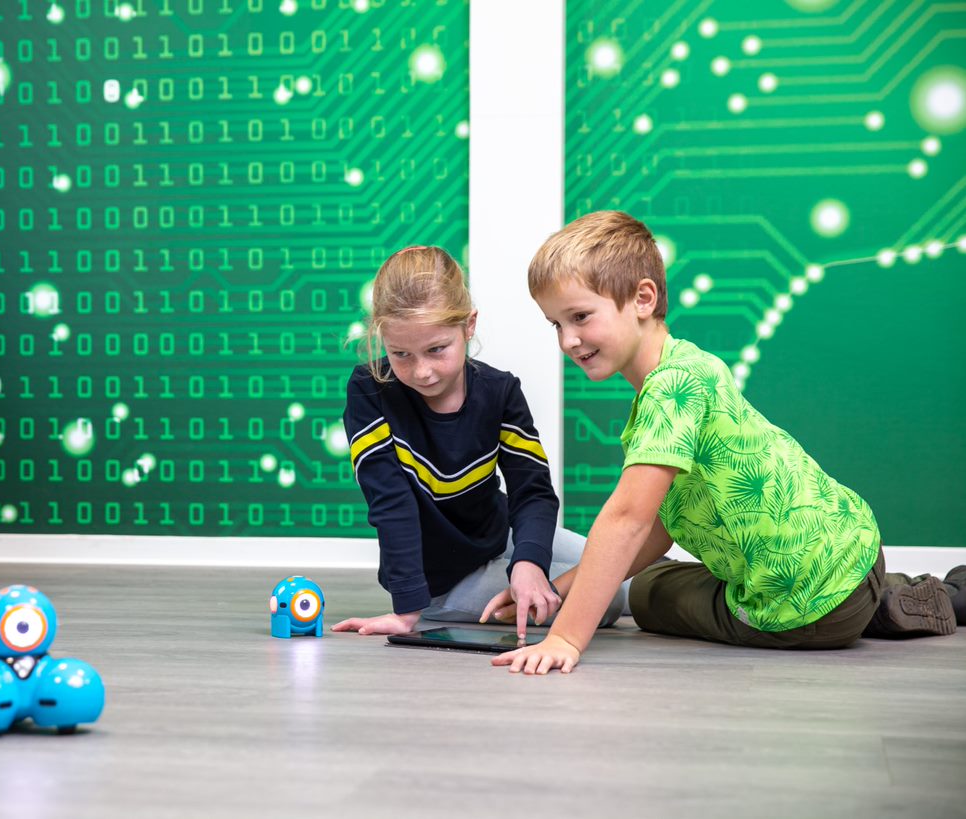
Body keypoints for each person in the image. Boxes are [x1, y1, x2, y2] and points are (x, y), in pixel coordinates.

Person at [489, 210, 966, 675]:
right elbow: (660, 527)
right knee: (659, 572)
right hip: (857, 552)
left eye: (580, 317)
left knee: (652, 592)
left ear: (643, 299)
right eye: (557, 324)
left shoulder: (669, 394)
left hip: (803, 611)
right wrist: (560, 589)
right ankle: (899, 595)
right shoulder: (692, 366)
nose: (568, 340)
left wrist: (566, 638)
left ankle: (868, 610)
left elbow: (630, 520)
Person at [331, 245, 626, 638]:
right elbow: (391, 502)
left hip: (498, 534)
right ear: (382, 337)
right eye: (401, 354)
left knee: (619, 566)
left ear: (468, 325)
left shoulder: (500, 391)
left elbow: (532, 490)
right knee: (608, 598)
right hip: (446, 579)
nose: (422, 372)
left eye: (437, 349)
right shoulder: (369, 390)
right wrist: (407, 611)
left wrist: (529, 563)